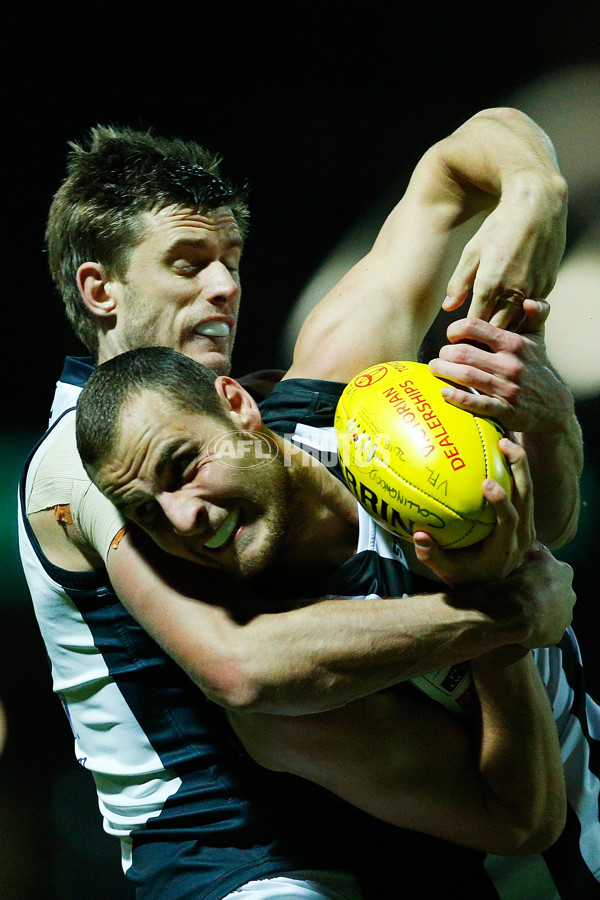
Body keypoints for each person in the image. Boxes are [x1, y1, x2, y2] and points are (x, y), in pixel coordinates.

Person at [18, 110, 585, 899]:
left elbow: (453, 170)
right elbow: (242, 669)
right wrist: (504, 614)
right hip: (233, 861)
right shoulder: (81, 460)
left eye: (230, 261)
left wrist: (535, 186)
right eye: (187, 264)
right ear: (99, 288)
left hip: (381, 832)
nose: (223, 287)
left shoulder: (311, 412)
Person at [74, 342, 570, 858]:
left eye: (183, 466)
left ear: (237, 405)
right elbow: (521, 825)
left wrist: (554, 424)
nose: (181, 520)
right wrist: (500, 615)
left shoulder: (357, 416)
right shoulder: (290, 704)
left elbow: (557, 526)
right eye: (147, 514)